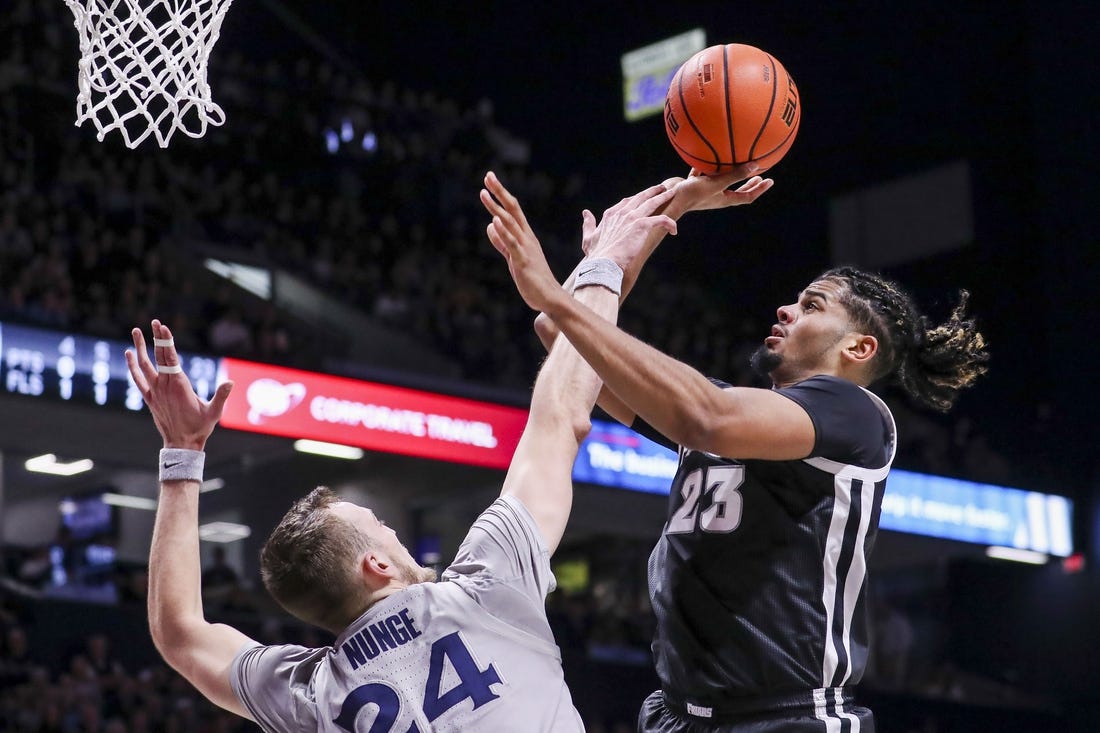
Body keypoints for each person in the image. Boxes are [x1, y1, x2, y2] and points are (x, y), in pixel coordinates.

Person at [123, 181, 679, 731]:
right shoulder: (482, 590)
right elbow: (560, 415)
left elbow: (180, 633)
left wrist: (182, 454)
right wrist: (604, 267)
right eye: (381, 526)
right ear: (377, 565)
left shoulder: (312, 700)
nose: (393, 531)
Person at [481, 167, 989, 733]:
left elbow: (702, 417)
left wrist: (560, 292)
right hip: (678, 713)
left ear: (859, 348)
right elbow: (562, 339)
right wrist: (621, 251)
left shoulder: (855, 414)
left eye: (812, 306)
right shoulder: (733, 414)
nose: (786, 310)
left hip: (785, 719)